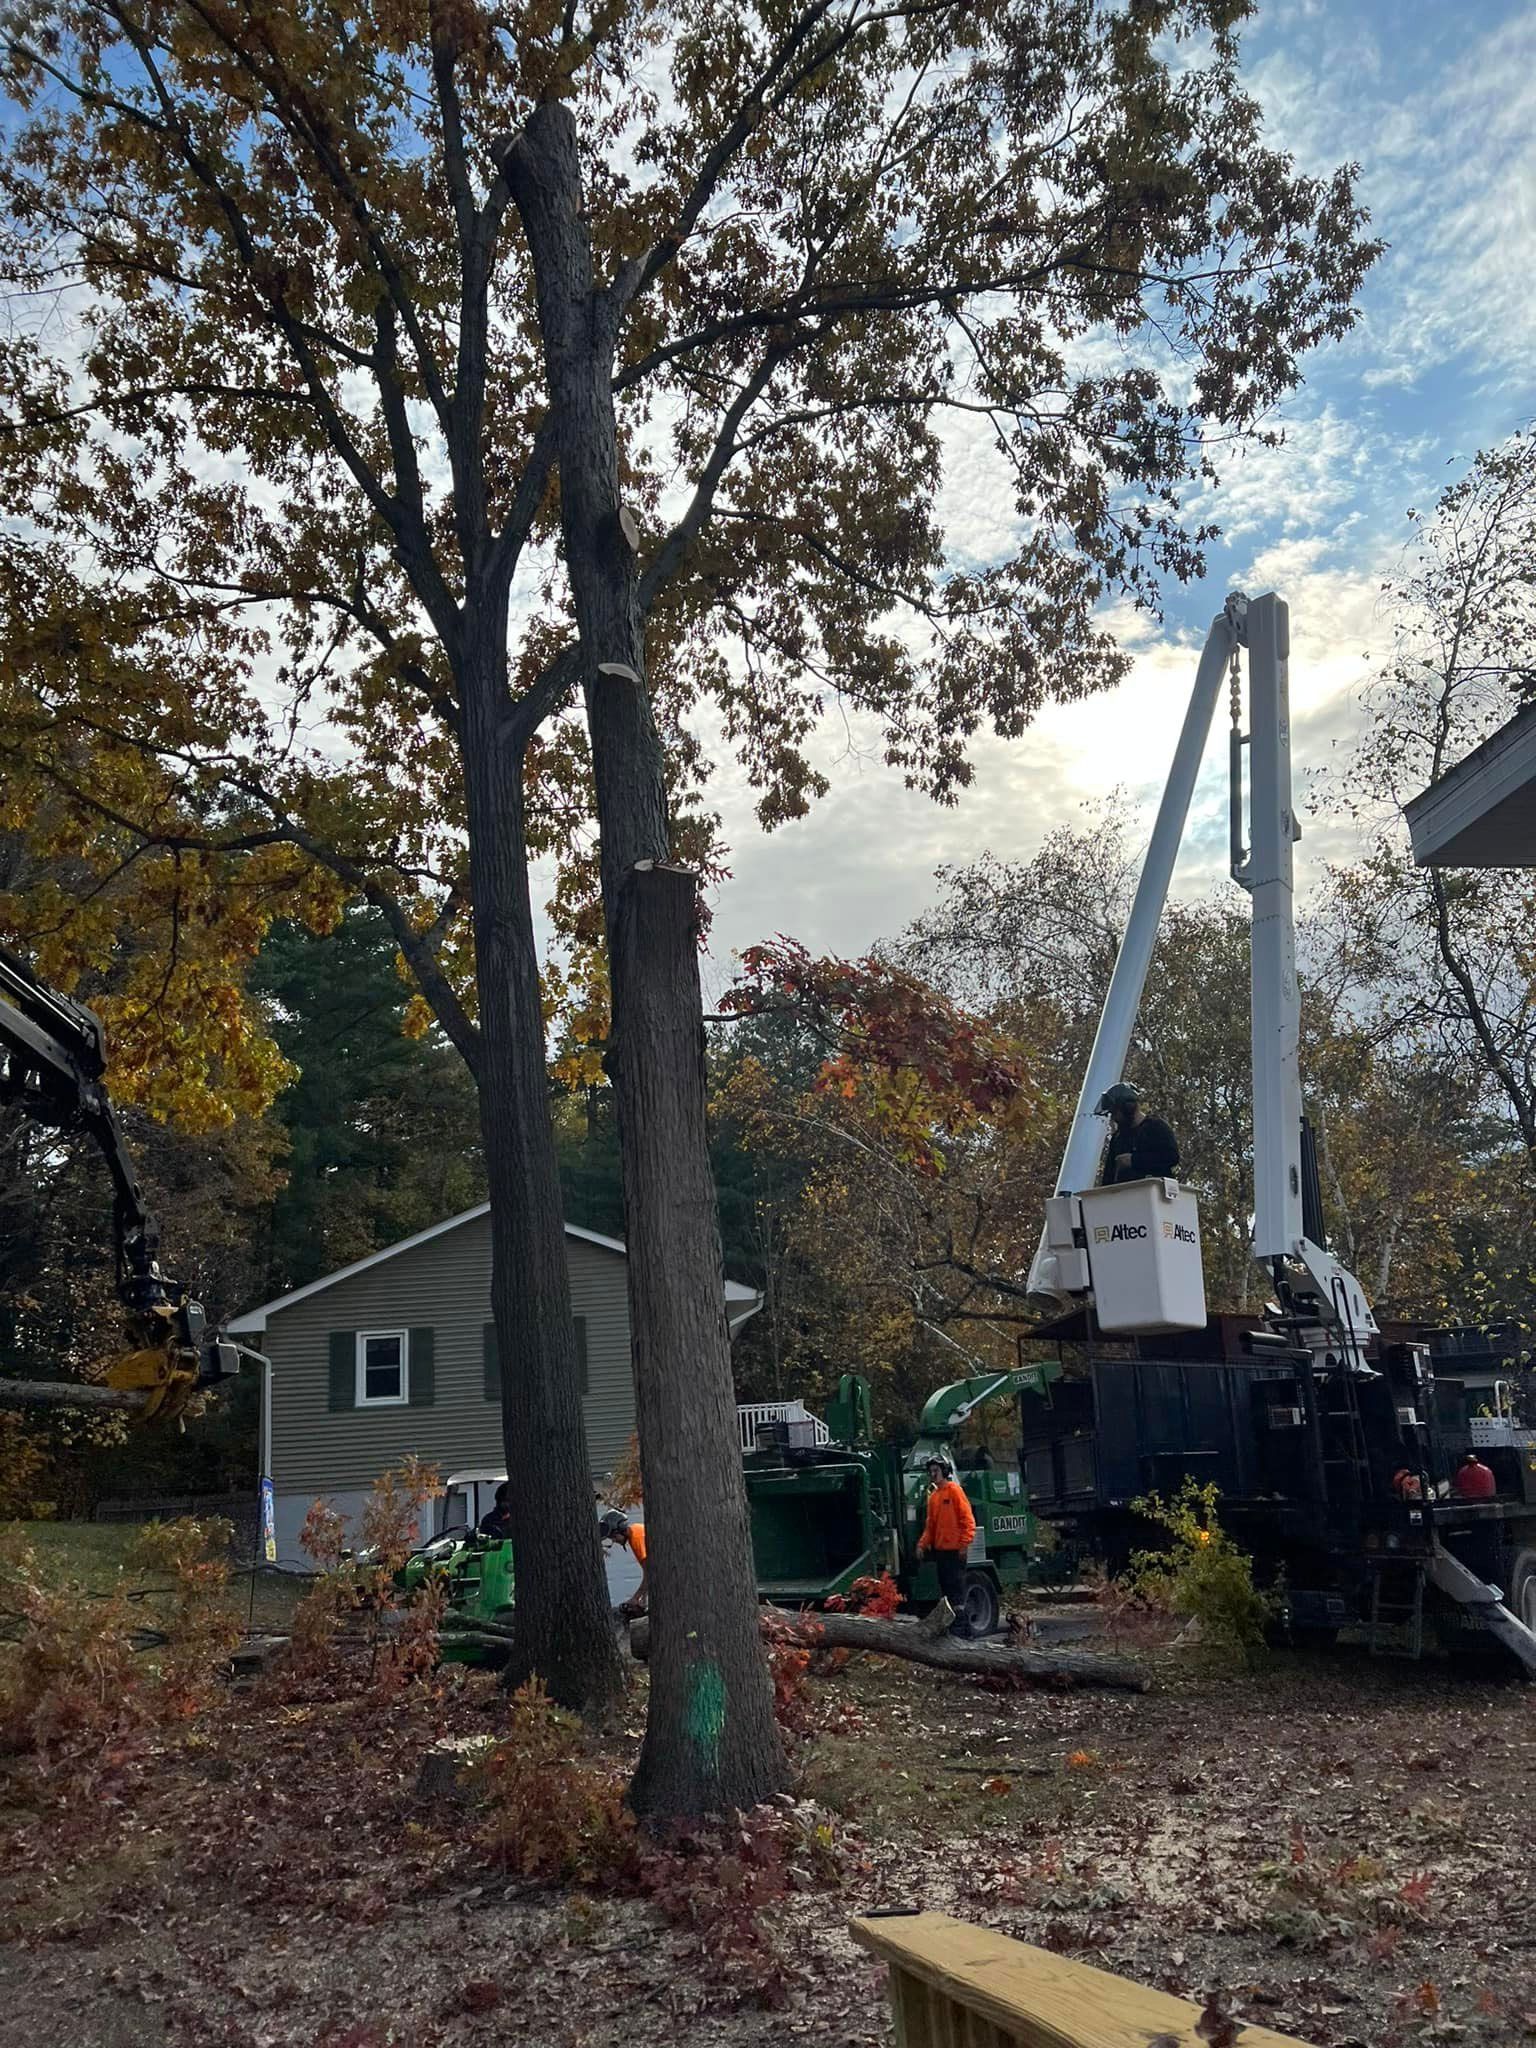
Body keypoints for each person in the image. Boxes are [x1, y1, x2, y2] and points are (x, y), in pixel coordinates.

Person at [917, 1455, 977, 1638]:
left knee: (957, 1592)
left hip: (955, 1552)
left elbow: (968, 1520)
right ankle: (958, 1630)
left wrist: (964, 1544)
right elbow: (930, 1526)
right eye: (931, 1471)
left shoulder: (955, 1491)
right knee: (947, 1592)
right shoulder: (934, 1497)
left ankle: (961, 1632)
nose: (933, 1474)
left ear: (944, 1471)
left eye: (936, 1470)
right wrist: (922, 1544)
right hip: (940, 1552)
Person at [1096, 1082, 1180, 1185]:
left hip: (1153, 1194)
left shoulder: (1156, 1127)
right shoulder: (1118, 1138)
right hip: (1124, 1197)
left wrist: (1133, 1160)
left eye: (1115, 1112)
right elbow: (1108, 1178)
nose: (1114, 1118)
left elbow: (1171, 1157)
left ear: (1127, 1108)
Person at [601, 1508, 648, 1617]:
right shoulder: (636, 1533)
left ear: (621, 1529)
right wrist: (643, 1599)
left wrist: (635, 1598)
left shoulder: (636, 1537)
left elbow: (651, 1574)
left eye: (613, 1536)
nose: (614, 1540)